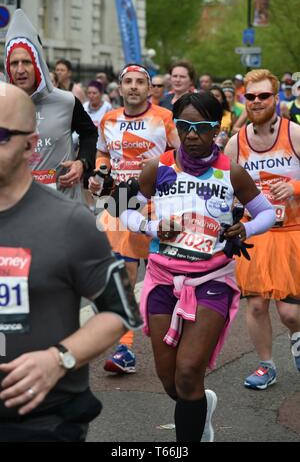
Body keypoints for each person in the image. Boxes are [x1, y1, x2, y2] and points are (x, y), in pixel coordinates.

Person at [115, 91, 275, 441]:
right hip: (162, 279)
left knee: (188, 372)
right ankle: (200, 406)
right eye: (184, 126)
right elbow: (119, 209)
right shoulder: (158, 167)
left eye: (200, 127)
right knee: (170, 380)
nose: (190, 135)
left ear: (217, 129)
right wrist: (151, 226)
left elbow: (267, 213)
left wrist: (244, 228)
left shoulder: (231, 173)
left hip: (211, 280)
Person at [0, 83, 142, 442]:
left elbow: (119, 310)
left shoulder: (70, 222)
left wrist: (58, 359)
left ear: (30, 146)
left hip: (41, 421)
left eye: (1, 135)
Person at [89, 63, 180, 374]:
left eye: (140, 82)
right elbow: (102, 154)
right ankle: (125, 348)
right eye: (128, 81)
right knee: (125, 273)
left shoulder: (164, 118)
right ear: (120, 86)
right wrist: (100, 173)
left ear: (149, 88)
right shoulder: (109, 119)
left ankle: (177, 333)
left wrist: (161, 172)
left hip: (159, 202)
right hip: (121, 201)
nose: (133, 87)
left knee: (169, 279)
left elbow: (181, 156)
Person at [225, 69, 300, 390]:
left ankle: (297, 338)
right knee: (256, 305)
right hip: (254, 234)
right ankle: (266, 365)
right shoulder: (235, 144)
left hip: (292, 233)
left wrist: (295, 187)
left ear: (276, 97)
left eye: (263, 96)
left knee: (290, 313)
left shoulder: (294, 134)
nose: (256, 102)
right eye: (251, 97)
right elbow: (224, 190)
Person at [5, 9, 97, 201]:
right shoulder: (3, 104)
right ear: (8, 67)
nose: (20, 70)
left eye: (26, 62)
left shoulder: (66, 101)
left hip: (62, 202)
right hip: (17, 203)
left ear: (37, 64)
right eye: (14, 63)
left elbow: (89, 133)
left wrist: (82, 163)